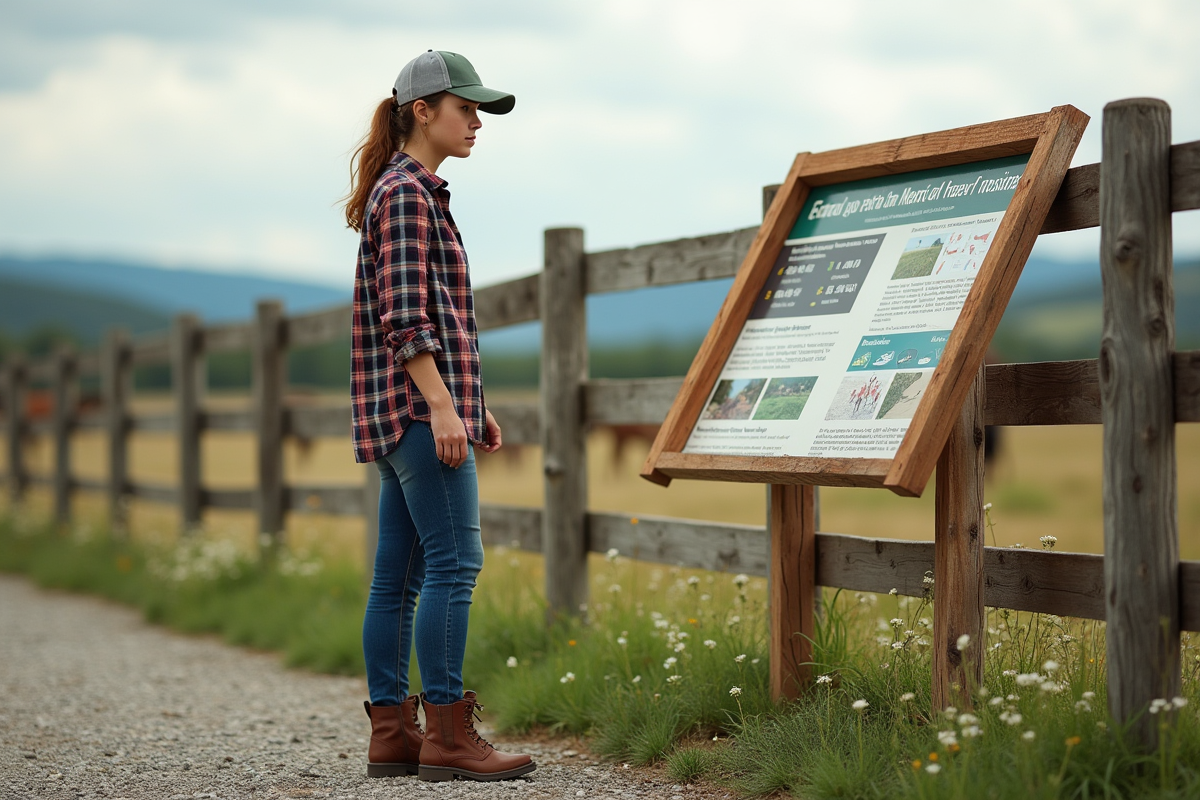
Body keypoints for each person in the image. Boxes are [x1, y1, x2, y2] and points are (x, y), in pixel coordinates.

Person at [342, 49, 534, 783]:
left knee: (398, 576)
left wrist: (471, 404)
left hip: (408, 414)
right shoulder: (407, 194)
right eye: (464, 108)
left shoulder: (407, 191)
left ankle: (393, 734)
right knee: (455, 564)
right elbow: (407, 318)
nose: (476, 121)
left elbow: (437, 316)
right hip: (419, 415)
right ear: (423, 111)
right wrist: (445, 406)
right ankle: (450, 737)